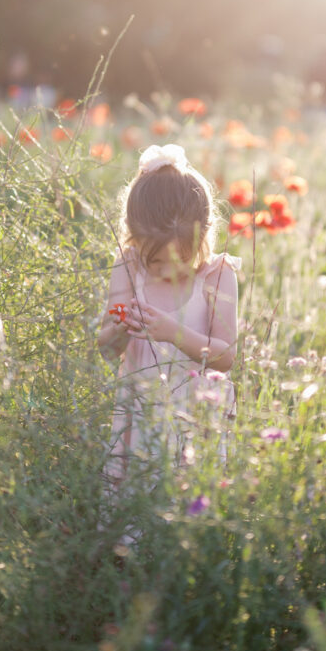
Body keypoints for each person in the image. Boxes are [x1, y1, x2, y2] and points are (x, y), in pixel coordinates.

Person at [98, 143, 240, 495]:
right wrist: (121, 327)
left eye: (183, 259)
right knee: (136, 495)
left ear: (204, 237)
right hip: (139, 407)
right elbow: (105, 346)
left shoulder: (217, 277)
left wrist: (175, 333)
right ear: (134, 238)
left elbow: (226, 356)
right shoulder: (128, 268)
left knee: (184, 499)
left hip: (193, 414)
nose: (168, 272)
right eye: (157, 262)